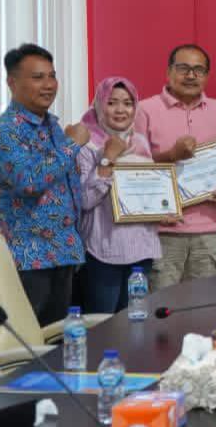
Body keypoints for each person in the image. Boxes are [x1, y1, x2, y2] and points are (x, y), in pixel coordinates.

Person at [0, 43, 89, 324]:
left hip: (62, 252)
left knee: (59, 339)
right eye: (38, 77)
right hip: (27, 259)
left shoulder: (51, 126)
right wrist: (72, 145)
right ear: (12, 82)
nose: (49, 85)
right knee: (27, 341)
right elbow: (29, 181)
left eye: (52, 76)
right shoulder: (4, 132)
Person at [136, 44, 216, 289]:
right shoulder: (145, 109)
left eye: (199, 70)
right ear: (168, 72)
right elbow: (134, 171)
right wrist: (171, 155)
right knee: (161, 306)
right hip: (163, 230)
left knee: (207, 304)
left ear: (207, 76)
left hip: (209, 230)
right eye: (183, 68)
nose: (191, 75)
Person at [76, 77, 161, 313]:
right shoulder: (86, 145)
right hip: (103, 250)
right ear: (99, 105)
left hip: (141, 248)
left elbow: (149, 191)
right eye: (112, 103)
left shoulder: (140, 142)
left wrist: (164, 207)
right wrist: (108, 158)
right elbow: (85, 200)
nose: (120, 110)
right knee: (102, 323)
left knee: (134, 321)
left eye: (128, 103)